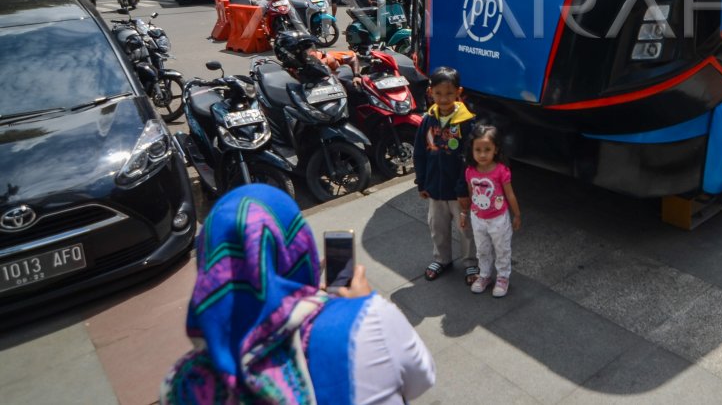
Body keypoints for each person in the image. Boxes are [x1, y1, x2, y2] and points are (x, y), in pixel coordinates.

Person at [160, 184, 435, 404]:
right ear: (297, 248)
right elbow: (421, 379)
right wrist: (358, 306)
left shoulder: (182, 384)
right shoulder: (366, 321)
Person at [412, 66, 479, 285]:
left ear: (458, 92)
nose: (443, 99)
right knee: (437, 227)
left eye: (449, 93)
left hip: (459, 191)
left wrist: (463, 189)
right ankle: (442, 259)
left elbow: (469, 159)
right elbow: (420, 153)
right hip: (435, 188)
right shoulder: (427, 120)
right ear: (431, 92)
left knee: (465, 229)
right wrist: (421, 181)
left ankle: (471, 263)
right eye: (438, 93)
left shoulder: (466, 122)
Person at [460, 125, 521, 298]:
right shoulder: (470, 171)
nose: (482, 154)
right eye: (478, 150)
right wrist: (465, 213)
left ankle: (503, 277)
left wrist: (516, 214)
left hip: (499, 219)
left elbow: (509, 194)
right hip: (478, 218)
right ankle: (485, 275)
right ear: (471, 150)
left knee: (502, 249)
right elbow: (472, 194)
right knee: (482, 249)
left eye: (487, 149)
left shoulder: (501, 171)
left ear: (496, 149)